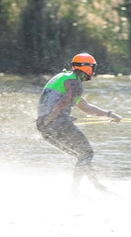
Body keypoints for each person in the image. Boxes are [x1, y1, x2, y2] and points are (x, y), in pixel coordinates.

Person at [36, 53, 122, 193]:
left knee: (82, 156)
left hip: (43, 127)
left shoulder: (63, 78)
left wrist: (110, 115)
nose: (93, 72)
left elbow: (86, 108)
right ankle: (75, 191)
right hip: (57, 124)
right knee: (87, 153)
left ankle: (97, 186)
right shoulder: (75, 85)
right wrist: (50, 119)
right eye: (93, 68)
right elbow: (63, 102)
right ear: (87, 68)